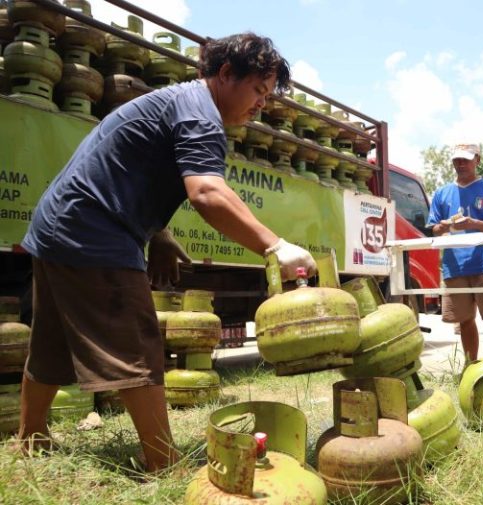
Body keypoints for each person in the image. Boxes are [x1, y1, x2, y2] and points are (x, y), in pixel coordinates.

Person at [18, 33, 316, 472]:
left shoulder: (181, 102)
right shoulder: (201, 114)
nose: (261, 105)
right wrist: (275, 245)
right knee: (138, 346)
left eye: (267, 96)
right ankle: (162, 461)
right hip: (91, 230)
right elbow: (207, 193)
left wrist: (158, 233)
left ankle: (31, 439)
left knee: (52, 343)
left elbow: (132, 169)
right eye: (257, 90)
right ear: (226, 73)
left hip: (60, 224)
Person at [428, 143, 483, 363]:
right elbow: (434, 227)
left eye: (465, 159)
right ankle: (470, 366)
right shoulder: (441, 193)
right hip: (455, 265)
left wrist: (474, 223)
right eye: (457, 160)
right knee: (464, 320)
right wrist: (444, 226)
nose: (460, 164)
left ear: (477, 160)